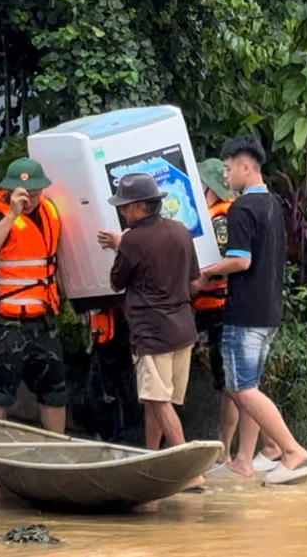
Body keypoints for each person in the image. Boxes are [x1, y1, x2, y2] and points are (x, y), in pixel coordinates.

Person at [197, 135, 307, 484]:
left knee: (241, 390)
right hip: (268, 312)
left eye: (229, 168)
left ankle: (290, 449)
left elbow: (240, 261)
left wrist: (207, 272)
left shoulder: (242, 209)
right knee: (251, 386)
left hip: (244, 313)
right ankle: (244, 460)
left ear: (247, 166)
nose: (226, 175)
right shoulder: (273, 205)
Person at [98, 173, 204, 492]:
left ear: (135, 208)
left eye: (123, 206)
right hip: (184, 328)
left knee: (156, 400)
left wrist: (121, 245)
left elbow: (117, 281)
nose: (121, 211)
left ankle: (189, 470)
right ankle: (150, 459)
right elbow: (194, 279)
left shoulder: (132, 239)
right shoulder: (180, 230)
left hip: (152, 333)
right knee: (157, 399)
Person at [0, 158, 65, 486]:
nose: (34, 198)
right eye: (28, 192)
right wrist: (12, 214)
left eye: (38, 192)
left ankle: (58, 456)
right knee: (0, 394)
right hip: (8, 324)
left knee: (55, 392)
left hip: (43, 320)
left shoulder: (50, 211)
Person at [194, 158, 282, 474]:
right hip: (224, 310)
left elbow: (225, 263)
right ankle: (229, 454)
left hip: (221, 310)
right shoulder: (237, 212)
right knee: (235, 385)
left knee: (238, 386)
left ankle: (271, 445)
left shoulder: (223, 219)